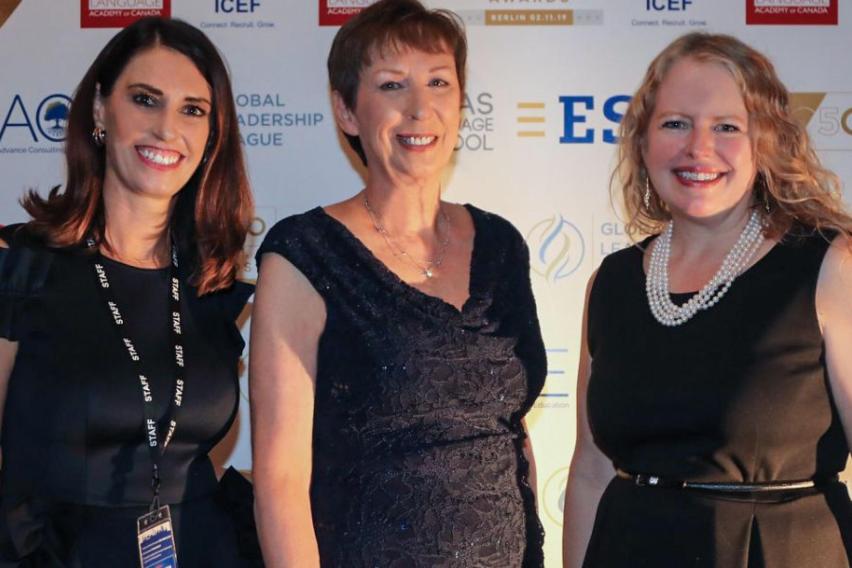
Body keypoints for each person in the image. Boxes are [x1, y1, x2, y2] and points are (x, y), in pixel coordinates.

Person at [250, 0, 546, 566]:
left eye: (438, 81)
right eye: (392, 85)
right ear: (347, 111)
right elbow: (281, 480)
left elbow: (511, 429)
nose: (420, 107)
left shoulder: (502, 245)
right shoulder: (305, 254)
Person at [563, 32, 852, 568]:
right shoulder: (612, 281)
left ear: (765, 144)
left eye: (727, 127)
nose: (698, 148)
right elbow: (589, 470)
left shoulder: (829, 267)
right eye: (675, 123)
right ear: (642, 141)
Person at [0, 17, 257, 567]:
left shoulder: (212, 286)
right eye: (146, 99)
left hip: (201, 549)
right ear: (99, 110)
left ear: (213, 134)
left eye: (193, 109)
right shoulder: (20, 265)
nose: (168, 129)